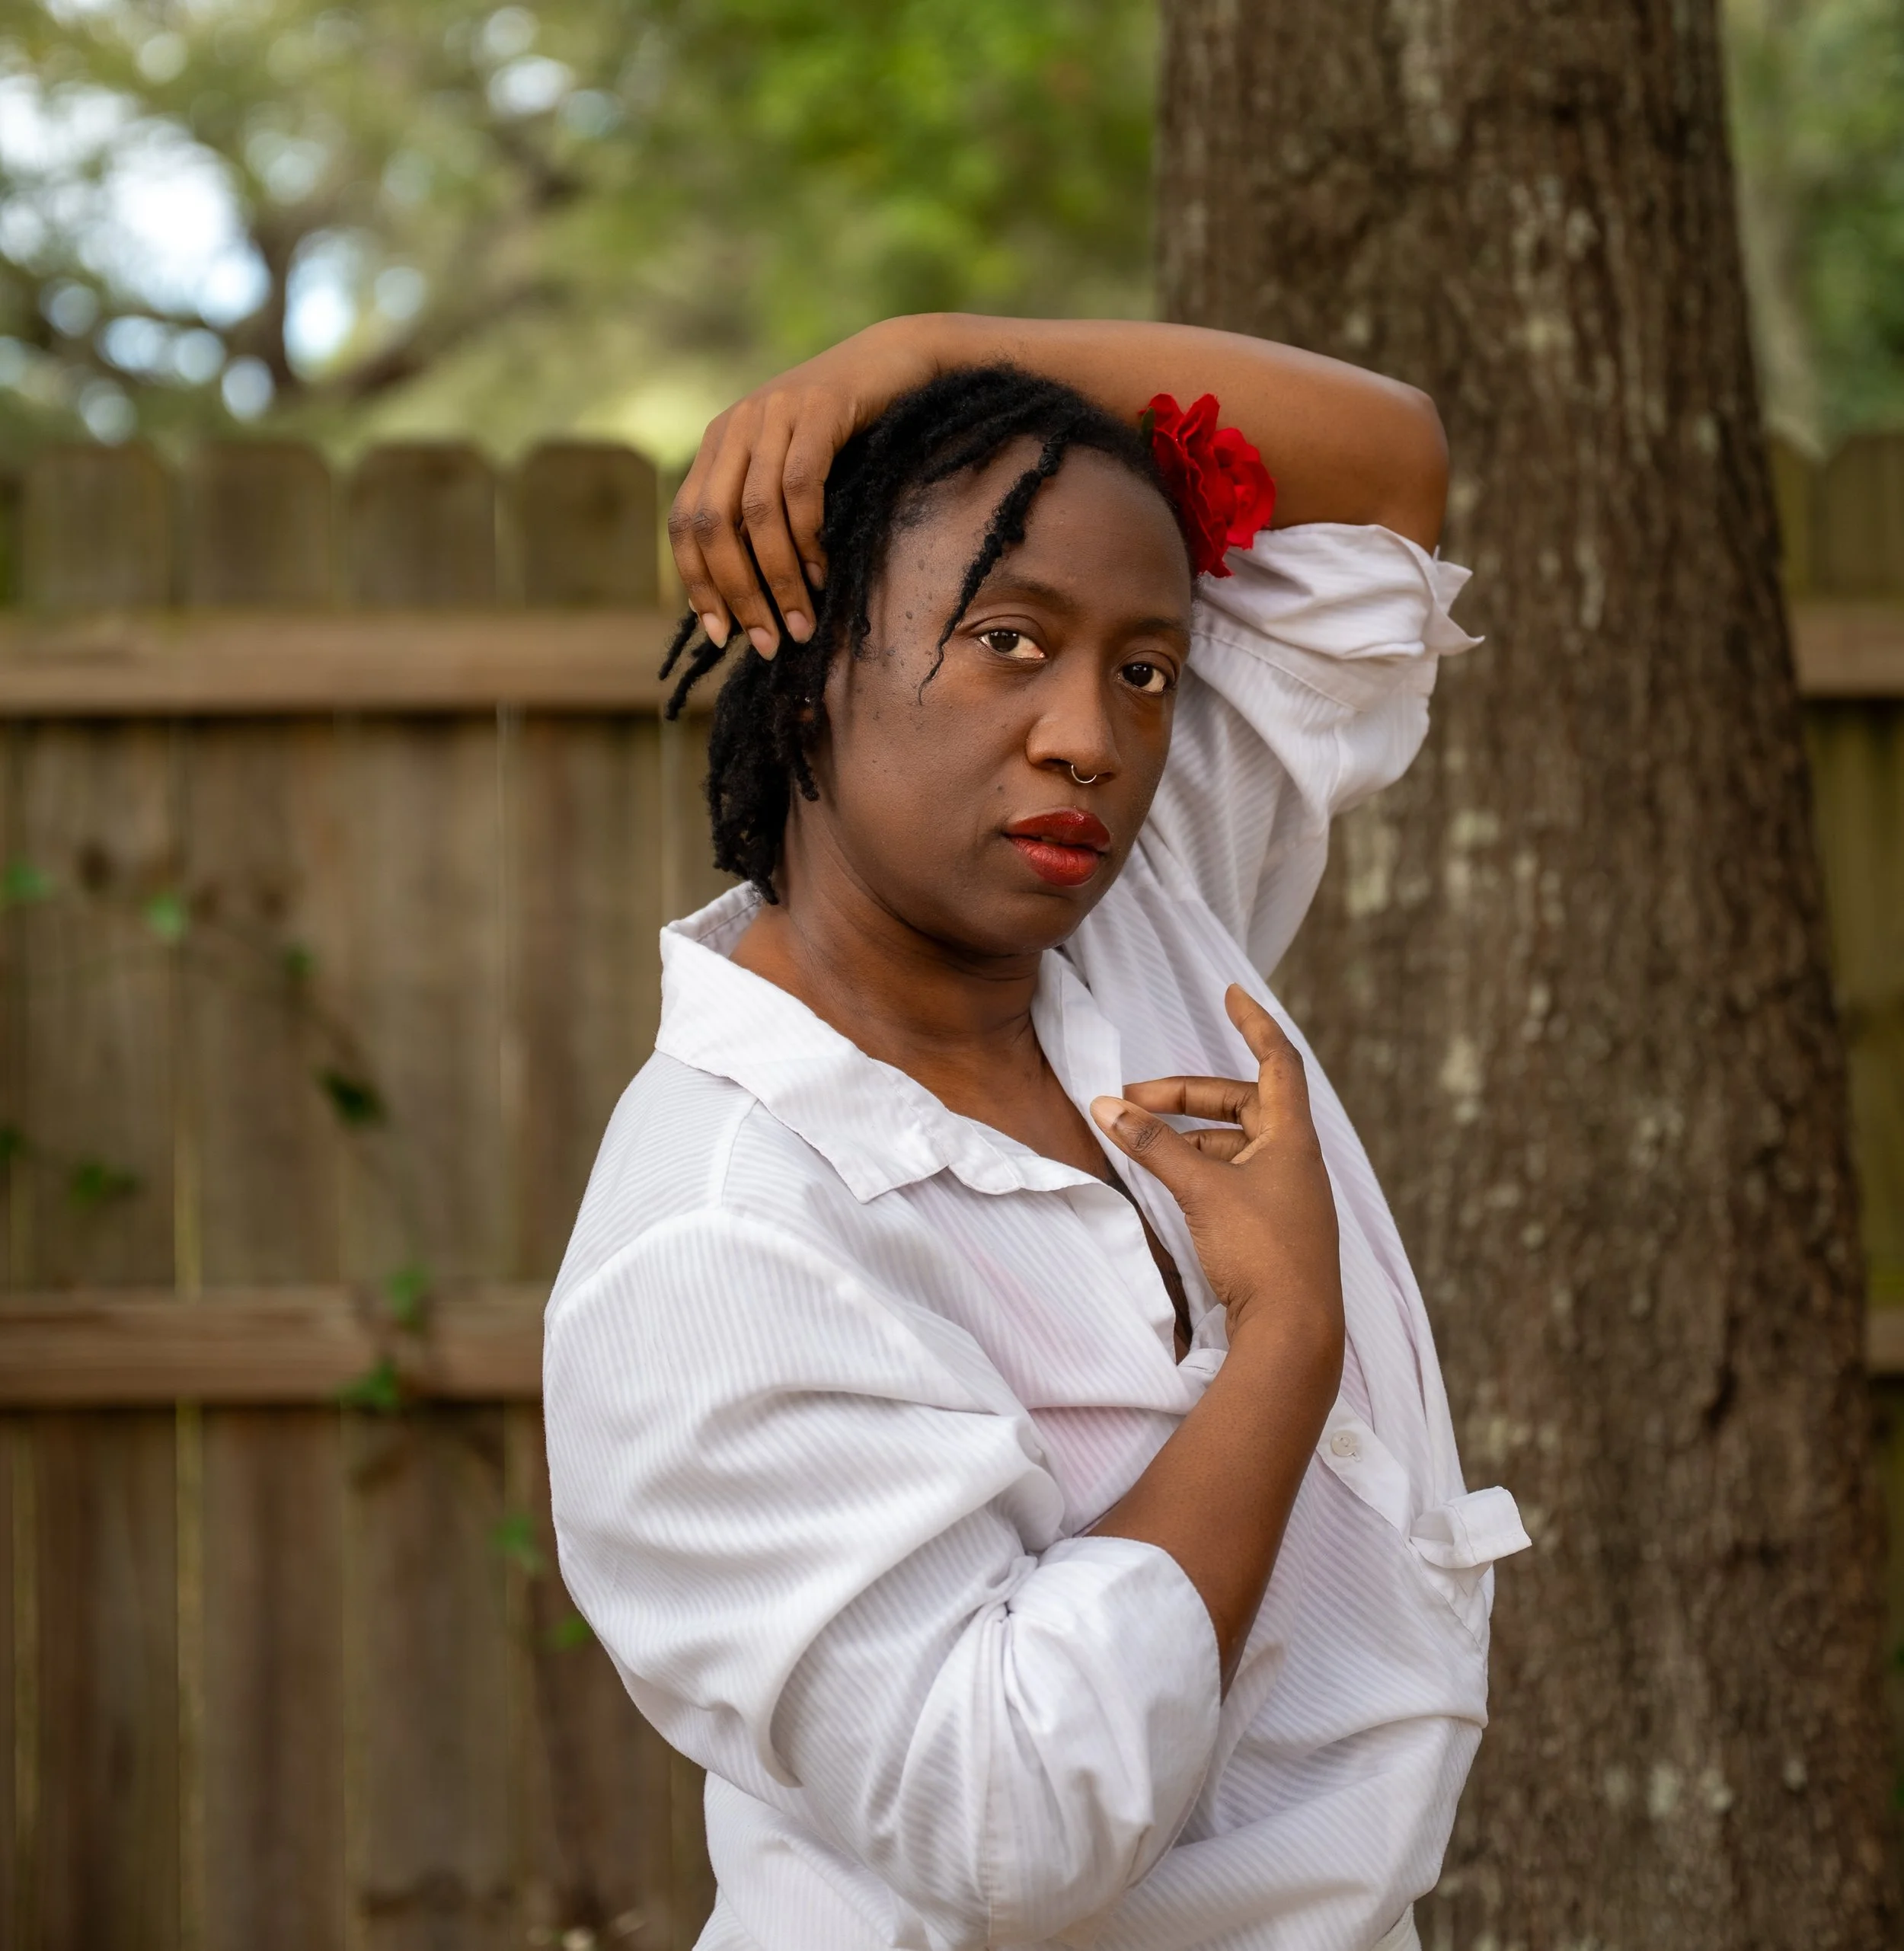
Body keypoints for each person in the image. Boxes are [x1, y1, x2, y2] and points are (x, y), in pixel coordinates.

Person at [544, 315, 1529, 1951]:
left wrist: (911, 356)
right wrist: (1282, 1333)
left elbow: (1388, 478)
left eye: (1143, 669)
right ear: (800, 667)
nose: (1090, 733)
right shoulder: (721, 1237)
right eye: (1008, 638)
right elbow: (1009, 1818)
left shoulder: (1131, 921)